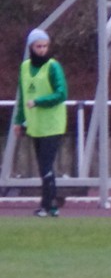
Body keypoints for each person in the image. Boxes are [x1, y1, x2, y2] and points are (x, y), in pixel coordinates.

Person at [13, 29, 69, 217]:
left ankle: (48, 205)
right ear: (31, 47)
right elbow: (23, 96)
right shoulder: (24, 67)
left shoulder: (53, 67)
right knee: (44, 166)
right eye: (39, 46)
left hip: (52, 124)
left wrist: (39, 101)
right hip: (36, 125)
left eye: (45, 46)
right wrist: (18, 120)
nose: (42, 50)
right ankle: (49, 205)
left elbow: (62, 94)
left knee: (46, 165)